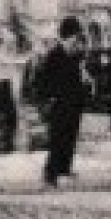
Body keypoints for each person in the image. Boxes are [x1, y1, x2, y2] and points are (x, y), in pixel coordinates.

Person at [33, 17, 89, 187]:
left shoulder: (73, 56)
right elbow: (41, 81)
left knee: (69, 137)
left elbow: (76, 79)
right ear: (68, 37)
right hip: (58, 104)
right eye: (76, 37)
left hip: (72, 104)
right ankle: (50, 174)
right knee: (57, 139)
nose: (78, 41)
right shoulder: (54, 55)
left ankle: (64, 168)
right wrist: (51, 98)